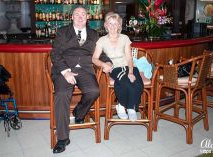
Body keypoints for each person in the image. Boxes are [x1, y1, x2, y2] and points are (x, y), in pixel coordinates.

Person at [50, 6, 111, 154]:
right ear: (72, 17)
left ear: (87, 17)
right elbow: (55, 54)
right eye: (77, 14)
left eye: (83, 14)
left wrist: (107, 62)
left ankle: (79, 112)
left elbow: (100, 54)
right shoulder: (63, 32)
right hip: (65, 70)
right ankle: (63, 139)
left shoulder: (94, 34)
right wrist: (65, 72)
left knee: (94, 91)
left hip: (85, 70)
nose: (80, 16)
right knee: (62, 94)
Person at [92, 12, 144, 122]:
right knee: (126, 82)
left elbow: (129, 58)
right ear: (106, 25)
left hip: (129, 66)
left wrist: (130, 72)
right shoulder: (101, 40)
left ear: (119, 25)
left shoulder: (125, 38)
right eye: (110, 23)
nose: (112, 26)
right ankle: (130, 108)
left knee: (138, 83)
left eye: (115, 24)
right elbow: (94, 59)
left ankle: (122, 105)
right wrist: (104, 64)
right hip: (115, 69)